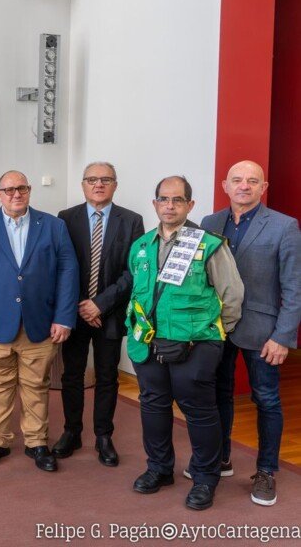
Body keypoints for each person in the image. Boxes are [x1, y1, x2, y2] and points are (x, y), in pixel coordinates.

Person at [127, 176, 244, 511]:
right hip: (148, 343)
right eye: (163, 199)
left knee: (199, 410)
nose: (169, 206)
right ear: (155, 204)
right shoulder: (142, 246)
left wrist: (210, 332)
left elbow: (232, 295)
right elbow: (139, 292)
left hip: (196, 345)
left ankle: (206, 478)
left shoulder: (209, 244)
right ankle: (159, 469)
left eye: (178, 200)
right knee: (153, 405)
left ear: (190, 205)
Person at [0, 171, 78, 473]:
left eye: (21, 188)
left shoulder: (54, 226)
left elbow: (68, 272)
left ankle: (37, 443)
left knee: (36, 386)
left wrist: (64, 318)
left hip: (40, 324)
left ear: (29, 190)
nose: (16, 194)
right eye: (9, 189)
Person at [201, 161, 300, 506]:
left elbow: (294, 286)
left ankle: (266, 471)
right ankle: (222, 458)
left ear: (263, 187)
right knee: (218, 395)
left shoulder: (285, 227)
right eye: (237, 180)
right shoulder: (209, 223)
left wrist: (283, 336)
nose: (244, 186)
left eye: (252, 181)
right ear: (224, 185)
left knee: (267, 400)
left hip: (263, 331)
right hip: (215, 327)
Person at [52, 162, 144, 467]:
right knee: (71, 375)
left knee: (107, 376)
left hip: (110, 313)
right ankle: (72, 432)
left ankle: (104, 436)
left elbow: (133, 272)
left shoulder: (131, 221)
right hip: (75, 313)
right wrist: (82, 304)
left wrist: (99, 304)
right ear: (83, 184)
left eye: (105, 179)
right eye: (92, 179)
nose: (98, 184)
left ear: (115, 184)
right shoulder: (66, 219)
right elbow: (62, 267)